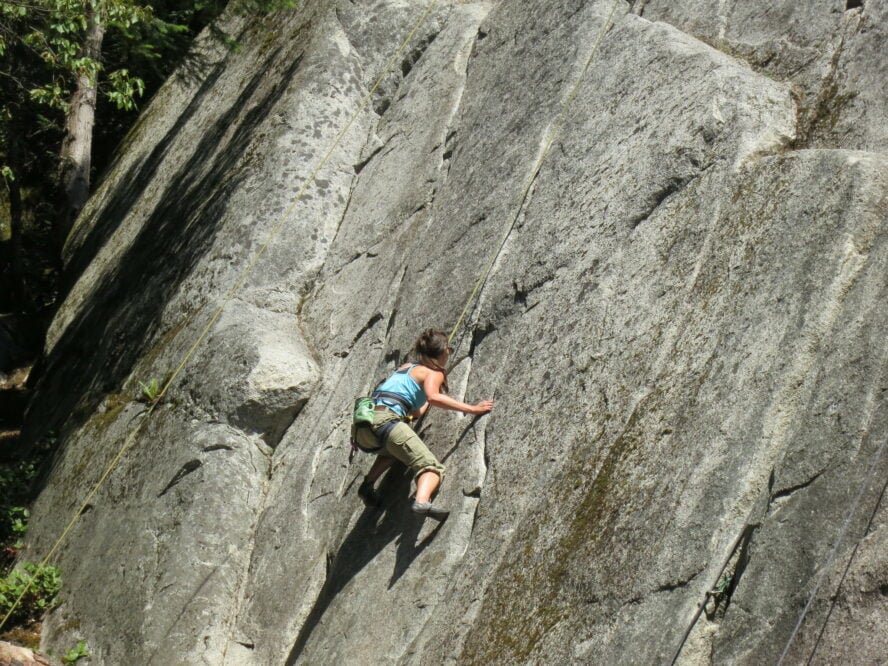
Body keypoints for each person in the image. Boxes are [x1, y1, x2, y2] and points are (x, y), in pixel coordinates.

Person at [357, 329, 494, 520]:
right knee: (431, 467)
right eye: (449, 349)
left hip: (364, 428)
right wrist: (472, 409)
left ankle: (367, 485)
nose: (450, 352)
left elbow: (414, 409)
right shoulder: (432, 372)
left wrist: (424, 405)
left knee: (393, 451)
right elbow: (434, 396)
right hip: (387, 422)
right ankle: (422, 501)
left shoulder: (406, 367)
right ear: (441, 352)